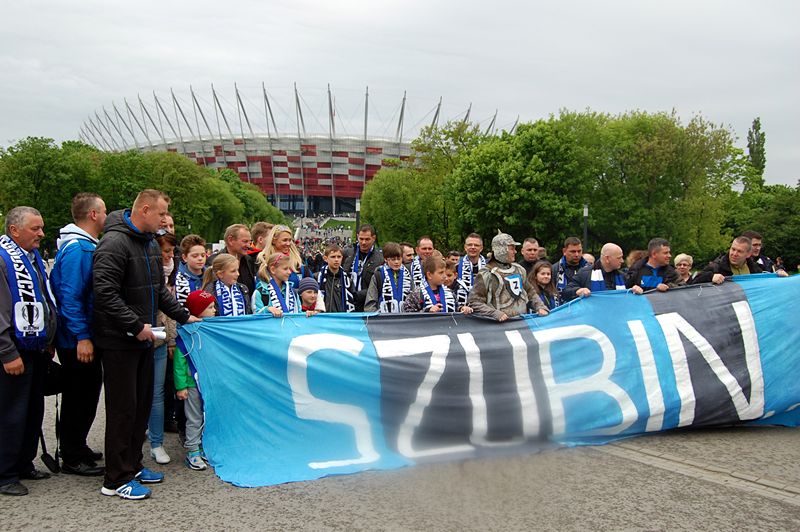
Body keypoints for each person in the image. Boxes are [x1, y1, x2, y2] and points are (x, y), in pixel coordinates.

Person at [93, 189, 197, 500]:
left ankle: (133, 465)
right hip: (120, 340)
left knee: (140, 406)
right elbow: (105, 292)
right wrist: (134, 325)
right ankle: (115, 479)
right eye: (162, 214)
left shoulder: (149, 243)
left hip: (144, 337)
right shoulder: (114, 243)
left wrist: (184, 316)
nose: (166, 220)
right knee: (123, 409)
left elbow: (159, 290)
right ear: (146, 210)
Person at [0, 207, 58, 496]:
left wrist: (48, 337)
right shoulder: (3, 259)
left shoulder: (32, 257)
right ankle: (5, 472)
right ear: (14, 230)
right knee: (11, 413)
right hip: (13, 349)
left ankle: (23, 462)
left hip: (35, 347)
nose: (41, 234)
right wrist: (7, 352)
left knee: (33, 410)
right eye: (35, 228)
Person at [50, 193, 106, 477]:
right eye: (104, 211)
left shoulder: (81, 246)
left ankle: (78, 445)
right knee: (79, 395)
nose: (106, 216)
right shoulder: (77, 249)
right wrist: (83, 336)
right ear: (93, 215)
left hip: (81, 335)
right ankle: (72, 455)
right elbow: (70, 297)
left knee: (87, 392)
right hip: (77, 339)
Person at [174, 290, 216, 471]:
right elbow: (179, 362)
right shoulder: (186, 334)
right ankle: (192, 450)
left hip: (206, 384)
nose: (214, 310)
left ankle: (200, 447)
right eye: (210, 307)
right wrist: (181, 386)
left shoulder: (210, 330)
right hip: (191, 386)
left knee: (205, 417)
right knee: (194, 418)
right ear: (198, 311)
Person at [147, 232, 179, 466]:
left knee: (157, 393)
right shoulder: (148, 271)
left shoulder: (170, 275)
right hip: (139, 336)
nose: (169, 257)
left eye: (170, 253)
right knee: (139, 393)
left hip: (159, 338)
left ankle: (156, 443)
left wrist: (170, 340)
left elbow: (170, 311)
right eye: (165, 252)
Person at [468, 232, 548, 322]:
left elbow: (530, 292)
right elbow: (474, 302)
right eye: (512, 248)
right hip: (498, 327)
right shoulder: (487, 274)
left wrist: (540, 307)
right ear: (502, 250)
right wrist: (494, 313)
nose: (515, 251)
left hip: (522, 323)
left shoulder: (519, 270)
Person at [692, 236, 788, 285]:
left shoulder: (754, 268)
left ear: (748, 254)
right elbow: (692, 283)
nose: (734, 254)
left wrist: (777, 274)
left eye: (739, 251)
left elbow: (765, 281)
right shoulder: (716, 266)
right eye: (733, 249)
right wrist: (710, 277)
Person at [563, 243, 636, 301]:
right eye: (619, 258)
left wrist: (636, 290)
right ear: (607, 259)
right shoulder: (585, 273)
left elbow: (631, 291)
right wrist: (578, 291)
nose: (622, 261)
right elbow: (566, 292)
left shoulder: (622, 276)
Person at [402, 257, 471, 314]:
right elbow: (407, 314)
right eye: (441, 273)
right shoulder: (417, 293)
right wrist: (426, 311)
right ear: (429, 275)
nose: (444, 276)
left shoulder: (449, 292)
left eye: (445, 272)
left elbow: (455, 307)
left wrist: (462, 309)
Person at [343, 224, 384, 311]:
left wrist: (359, 295)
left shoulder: (380, 258)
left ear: (374, 238)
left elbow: (379, 284)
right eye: (361, 239)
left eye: (367, 239)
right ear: (357, 236)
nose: (363, 242)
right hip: (347, 302)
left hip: (367, 304)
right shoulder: (347, 253)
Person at [365, 242, 414, 313]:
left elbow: (414, 297)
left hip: (405, 317)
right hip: (384, 319)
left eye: (399, 259)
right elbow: (371, 300)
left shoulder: (408, 274)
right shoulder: (378, 274)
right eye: (393, 259)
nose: (396, 262)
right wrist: (373, 319)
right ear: (385, 259)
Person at [209, 224, 255, 297]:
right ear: (230, 240)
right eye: (245, 241)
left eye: (250, 242)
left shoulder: (250, 261)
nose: (249, 246)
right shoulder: (214, 261)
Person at [258, 224, 307, 291]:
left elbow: (309, 285)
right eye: (284, 240)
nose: (288, 243)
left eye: (290, 240)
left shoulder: (298, 262)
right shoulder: (263, 260)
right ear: (273, 240)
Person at [314, 244, 355, 312]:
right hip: (322, 318)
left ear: (342, 258)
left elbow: (353, 301)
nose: (336, 260)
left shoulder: (348, 281)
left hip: (341, 318)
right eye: (333, 257)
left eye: (339, 257)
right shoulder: (316, 277)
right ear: (325, 258)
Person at [175, 235, 207, 306]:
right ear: (184, 257)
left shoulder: (211, 276)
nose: (200, 259)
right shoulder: (177, 278)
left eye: (203, 255)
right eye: (195, 256)